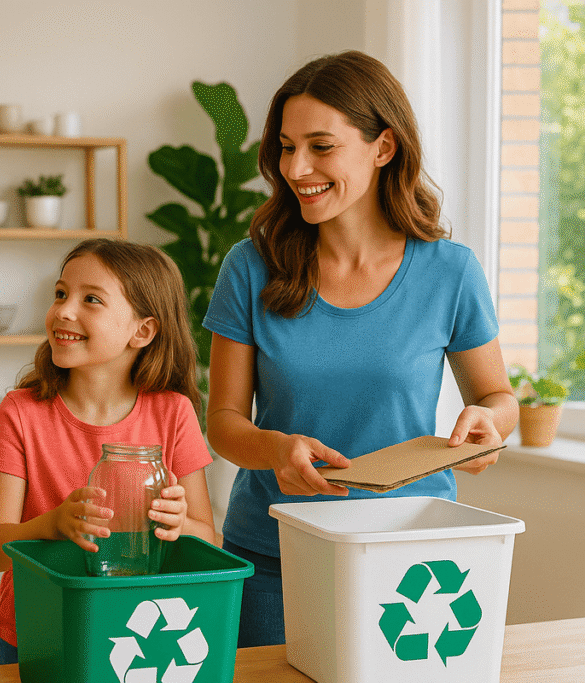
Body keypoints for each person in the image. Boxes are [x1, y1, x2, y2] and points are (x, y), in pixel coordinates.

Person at [202, 50, 518, 648]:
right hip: (274, 551)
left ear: (384, 146)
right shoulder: (249, 268)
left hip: (414, 559)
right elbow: (222, 424)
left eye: (321, 147)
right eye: (286, 147)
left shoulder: (450, 272)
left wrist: (489, 422)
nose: (297, 168)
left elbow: (497, 398)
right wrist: (275, 448)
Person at [0, 238, 217, 665]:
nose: (64, 310)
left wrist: (178, 523)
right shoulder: (20, 413)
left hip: (136, 631)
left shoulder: (174, 413)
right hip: (36, 632)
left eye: (91, 299)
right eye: (61, 293)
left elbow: (208, 538)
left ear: (142, 330)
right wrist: (53, 523)